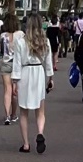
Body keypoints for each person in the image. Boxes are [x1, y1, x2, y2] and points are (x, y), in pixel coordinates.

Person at [11, 13, 55, 153]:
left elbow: (16, 64)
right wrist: (50, 78)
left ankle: (26, 144)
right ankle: (40, 133)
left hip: (25, 73)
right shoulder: (45, 41)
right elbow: (48, 63)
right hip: (38, 73)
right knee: (40, 110)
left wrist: (14, 82)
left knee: (23, 112)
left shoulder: (21, 42)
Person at [0, 13, 18, 125]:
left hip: (5, 63)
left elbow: (0, 49)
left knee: (7, 90)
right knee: (15, 91)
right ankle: (14, 114)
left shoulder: (2, 35)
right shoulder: (21, 35)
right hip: (17, 65)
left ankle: (7, 115)